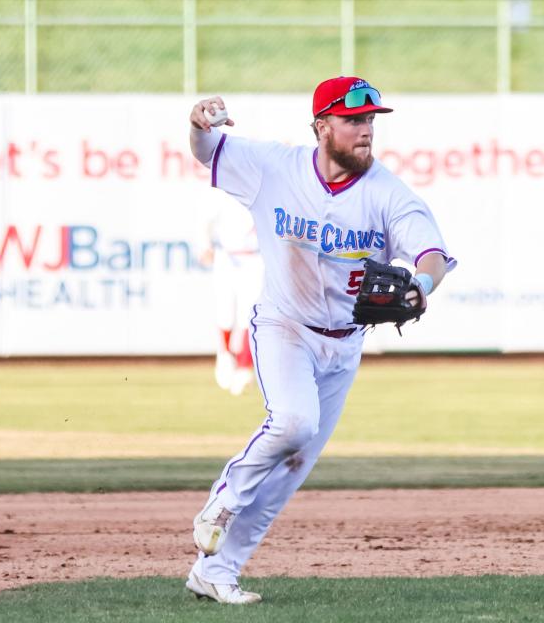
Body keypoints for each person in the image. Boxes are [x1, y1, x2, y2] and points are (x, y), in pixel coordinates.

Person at [184, 76, 456, 605]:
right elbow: (206, 151)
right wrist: (196, 125)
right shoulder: (275, 168)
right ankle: (223, 500)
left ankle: (216, 572)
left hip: (344, 344)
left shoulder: (386, 193)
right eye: (354, 121)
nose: (366, 132)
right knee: (293, 423)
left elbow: (431, 254)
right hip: (285, 326)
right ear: (322, 125)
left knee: (291, 467)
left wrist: (422, 285)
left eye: (371, 121)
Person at [199, 193, 261, 395]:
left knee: (250, 312)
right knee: (225, 312)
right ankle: (225, 355)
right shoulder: (221, 188)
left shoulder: (262, 183)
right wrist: (205, 245)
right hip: (226, 256)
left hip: (255, 257)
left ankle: (244, 365)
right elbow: (206, 219)